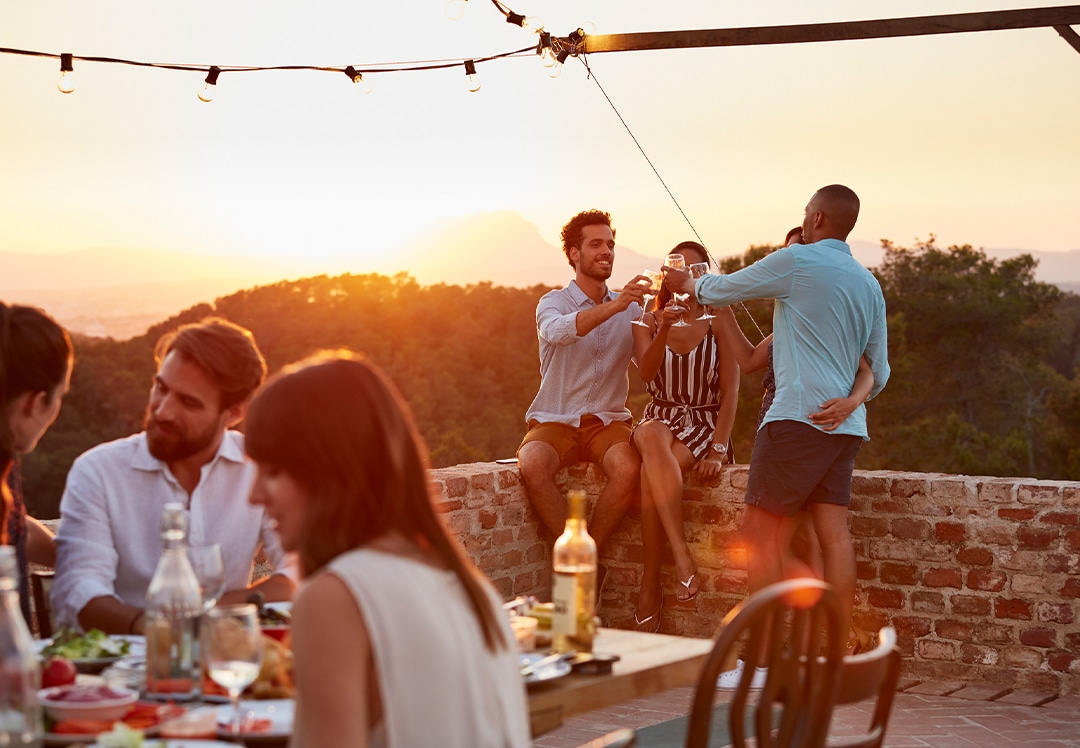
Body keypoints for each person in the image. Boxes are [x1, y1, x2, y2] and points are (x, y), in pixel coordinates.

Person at [246, 350, 531, 747]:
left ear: (330, 468)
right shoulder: (470, 588)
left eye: (273, 472)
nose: (254, 495)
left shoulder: (334, 598)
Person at [663, 185, 890, 652]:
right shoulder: (868, 283)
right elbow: (880, 371)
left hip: (794, 424)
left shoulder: (798, 260)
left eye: (807, 212)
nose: (804, 219)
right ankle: (833, 648)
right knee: (835, 537)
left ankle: (761, 656)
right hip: (844, 429)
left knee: (759, 537)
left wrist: (684, 279)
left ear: (819, 219)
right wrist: (850, 403)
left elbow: (719, 288)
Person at [52, 317, 295, 634]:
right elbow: (79, 589)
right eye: (161, 388)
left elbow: (299, 570)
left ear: (233, 414)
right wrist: (154, 629)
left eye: (188, 402)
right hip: (124, 663)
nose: (163, 410)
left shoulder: (257, 467)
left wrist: (204, 616)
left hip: (226, 659)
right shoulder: (98, 471)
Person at [517, 209, 647, 564]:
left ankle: (587, 559)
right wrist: (617, 305)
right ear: (574, 254)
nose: (606, 251)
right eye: (595, 244)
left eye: (610, 244)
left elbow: (651, 370)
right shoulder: (553, 302)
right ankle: (576, 558)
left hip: (607, 421)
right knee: (531, 463)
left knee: (628, 468)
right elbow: (558, 332)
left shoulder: (631, 308)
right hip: (555, 419)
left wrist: (661, 323)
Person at [630, 242, 740, 631]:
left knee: (650, 476)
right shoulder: (647, 318)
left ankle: (648, 585)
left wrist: (718, 449)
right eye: (679, 267)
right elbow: (645, 375)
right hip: (659, 415)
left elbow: (731, 392)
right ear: (667, 274)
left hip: (702, 422)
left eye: (696, 268)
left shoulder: (719, 316)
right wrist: (661, 328)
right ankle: (682, 557)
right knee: (649, 435)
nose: (686, 274)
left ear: (705, 274)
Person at [1, 303, 73, 627]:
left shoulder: (6, 453)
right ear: (34, 403)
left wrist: (76, 558)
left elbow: (15, 527)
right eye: (60, 397)